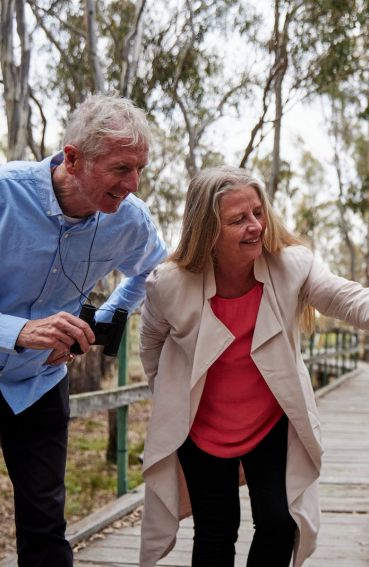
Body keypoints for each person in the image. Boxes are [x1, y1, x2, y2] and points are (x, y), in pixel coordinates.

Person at [138, 166, 369, 567]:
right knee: (216, 530)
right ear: (208, 232)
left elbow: (351, 299)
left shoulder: (290, 266)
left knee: (278, 523)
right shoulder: (168, 284)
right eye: (238, 220)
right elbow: (150, 344)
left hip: (268, 423)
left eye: (258, 212)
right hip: (201, 430)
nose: (255, 226)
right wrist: (169, 399)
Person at [0, 94, 167, 566]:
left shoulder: (130, 222)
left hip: (39, 383)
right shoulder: (5, 193)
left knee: (45, 524)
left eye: (140, 169)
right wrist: (20, 331)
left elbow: (154, 271)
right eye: (120, 169)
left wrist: (105, 319)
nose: (132, 184)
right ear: (72, 159)